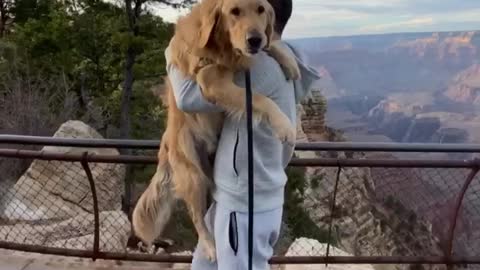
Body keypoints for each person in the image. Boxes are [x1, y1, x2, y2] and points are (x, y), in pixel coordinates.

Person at [164, 0, 320, 269]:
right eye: (238, 12)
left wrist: (170, 52)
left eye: (258, 9)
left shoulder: (257, 68)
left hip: (245, 203)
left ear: (270, 17)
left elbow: (188, 98)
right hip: (241, 195)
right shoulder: (281, 60)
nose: (249, 20)